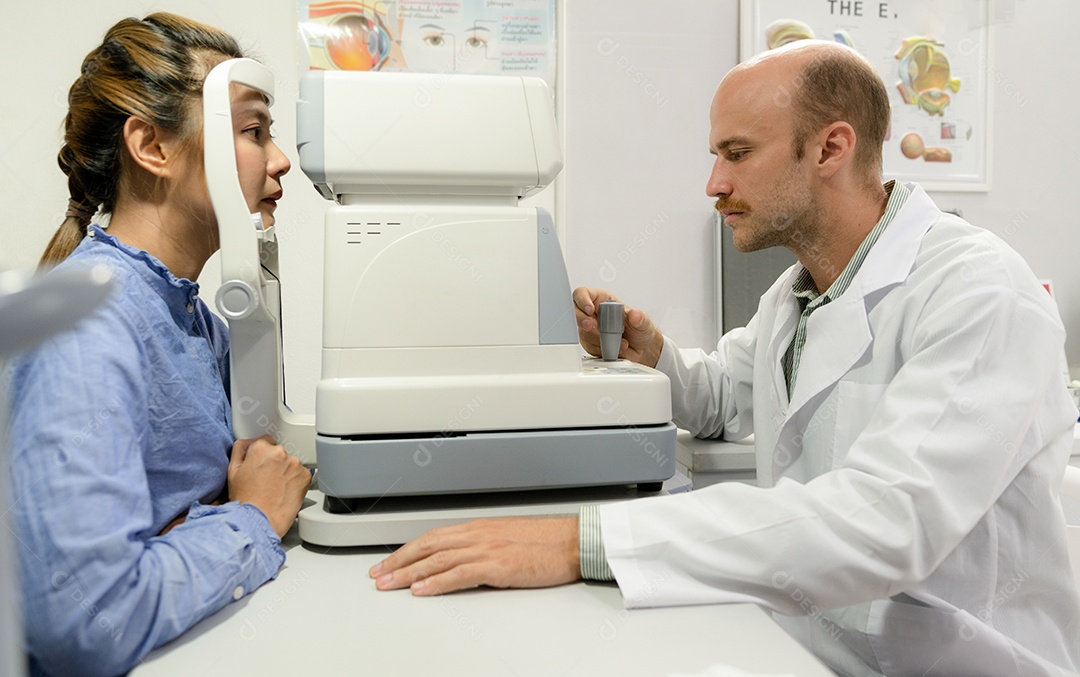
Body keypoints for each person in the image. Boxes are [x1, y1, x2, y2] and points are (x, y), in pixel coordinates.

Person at [369, 40, 1080, 675]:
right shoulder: (798, 291)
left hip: (955, 658)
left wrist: (580, 541)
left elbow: (886, 522)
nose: (713, 183)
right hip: (812, 640)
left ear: (830, 149)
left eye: (736, 154)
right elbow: (724, 397)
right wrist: (656, 358)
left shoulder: (980, 292)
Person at [7, 13, 310, 677]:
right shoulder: (84, 327)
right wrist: (249, 520)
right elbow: (89, 621)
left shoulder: (192, 318)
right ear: (152, 147)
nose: (283, 159)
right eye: (254, 131)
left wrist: (198, 526)